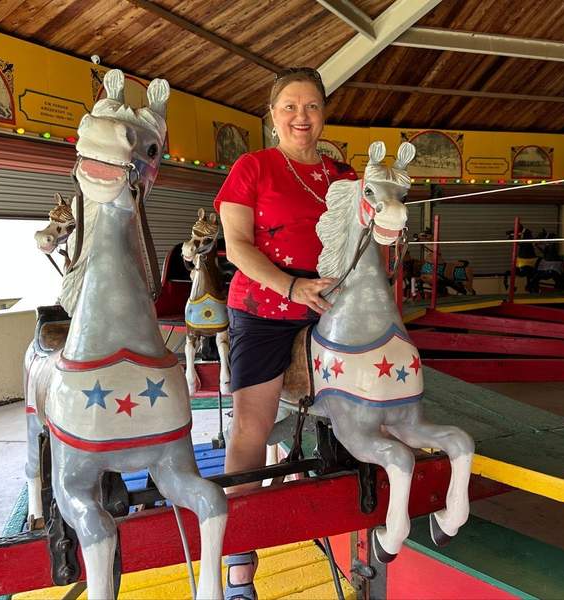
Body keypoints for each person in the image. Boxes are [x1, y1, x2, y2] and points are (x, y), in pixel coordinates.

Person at [213, 66, 357, 600]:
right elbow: (237, 246)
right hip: (265, 308)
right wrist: (291, 287)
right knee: (253, 426)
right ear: (273, 116)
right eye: (290, 106)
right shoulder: (254, 167)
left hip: (332, 307)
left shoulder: (343, 176)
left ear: (324, 114)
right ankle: (239, 571)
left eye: (313, 106)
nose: (302, 116)